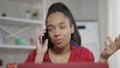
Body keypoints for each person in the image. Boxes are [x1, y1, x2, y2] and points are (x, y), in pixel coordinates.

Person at [25, 2, 120, 63]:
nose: (57, 33)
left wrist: (103, 59)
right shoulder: (35, 54)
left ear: (72, 28)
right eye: (51, 28)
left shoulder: (85, 55)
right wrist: (40, 56)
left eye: (62, 27)